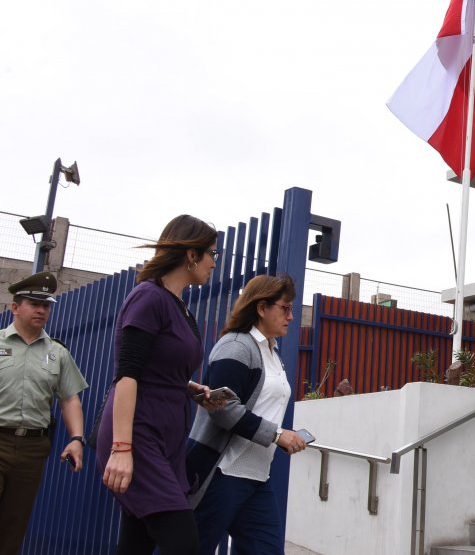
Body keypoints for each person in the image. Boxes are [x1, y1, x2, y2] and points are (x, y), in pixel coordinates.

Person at [97, 215, 223, 555]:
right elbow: (128, 373)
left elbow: (158, 366)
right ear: (191, 255)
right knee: (183, 542)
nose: (214, 262)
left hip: (166, 436)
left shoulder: (178, 304)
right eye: (212, 253)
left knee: (137, 543)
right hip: (138, 433)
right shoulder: (148, 297)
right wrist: (121, 448)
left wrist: (188, 387)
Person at [186, 274, 308, 554]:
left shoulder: (272, 353)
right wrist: (277, 435)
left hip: (257, 478)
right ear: (261, 307)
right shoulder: (237, 346)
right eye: (285, 308)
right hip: (222, 473)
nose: (291, 316)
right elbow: (223, 408)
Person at [0, 271, 89, 555]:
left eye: (46, 305)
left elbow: (69, 398)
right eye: (34, 304)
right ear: (15, 307)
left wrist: (77, 439)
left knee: (14, 523)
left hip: (32, 448)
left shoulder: (58, 353)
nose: (41, 310)